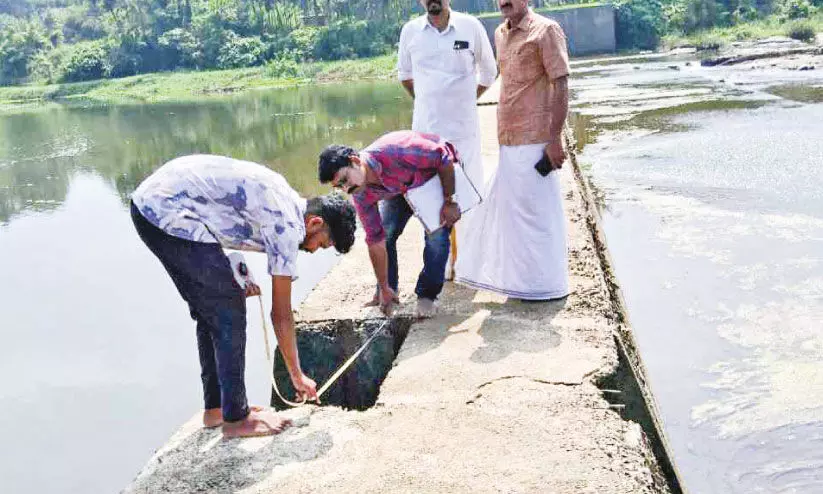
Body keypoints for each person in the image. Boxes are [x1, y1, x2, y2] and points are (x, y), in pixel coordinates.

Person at [130, 154, 356, 438]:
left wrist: (233, 273)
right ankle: (237, 419)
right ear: (314, 223)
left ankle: (217, 409)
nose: (311, 251)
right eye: (320, 243)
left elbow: (221, 218)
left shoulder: (285, 199)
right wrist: (297, 375)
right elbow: (282, 315)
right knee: (228, 310)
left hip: (152, 205)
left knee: (211, 311)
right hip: (166, 211)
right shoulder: (288, 227)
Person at [456, 0, 571, 301]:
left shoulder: (546, 30)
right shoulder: (499, 33)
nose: (503, 1)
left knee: (538, 216)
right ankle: (524, 286)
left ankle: (548, 286)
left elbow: (561, 84)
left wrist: (555, 138)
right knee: (515, 220)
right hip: (508, 139)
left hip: (536, 140)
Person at [397, 0, 497, 280]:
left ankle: (470, 264)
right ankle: (440, 269)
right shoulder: (410, 32)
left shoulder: (470, 27)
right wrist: (429, 102)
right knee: (430, 201)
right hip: (426, 136)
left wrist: (465, 101)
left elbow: (489, 72)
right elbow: (405, 76)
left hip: (463, 132)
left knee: (469, 196)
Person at [317, 131, 462, 318]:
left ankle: (427, 296)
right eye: (340, 187)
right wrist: (383, 285)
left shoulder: (396, 151)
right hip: (398, 190)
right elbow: (375, 240)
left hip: (431, 178)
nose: (347, 189)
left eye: (345, 180)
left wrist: (450, 200)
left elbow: (442, 157)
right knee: (387, 234)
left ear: (355, 160)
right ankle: (389, 292)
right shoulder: (360, 192)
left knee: (437, 238)